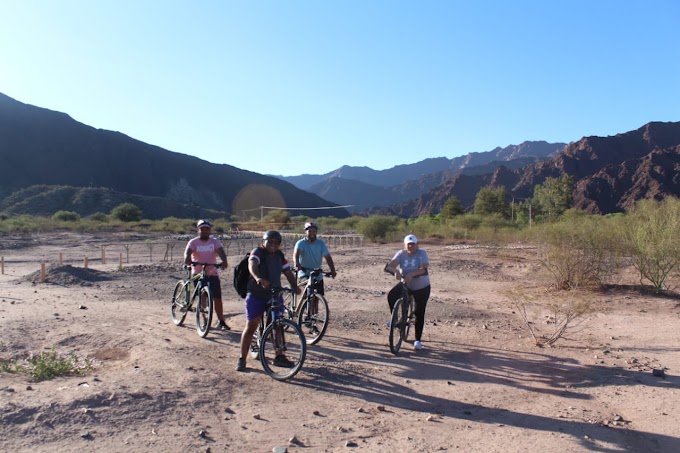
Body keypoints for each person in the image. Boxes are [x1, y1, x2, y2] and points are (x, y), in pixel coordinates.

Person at [236, 230, 301, 371]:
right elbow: (252, 265)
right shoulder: (258, 252)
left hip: (275, 294)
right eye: (269, 241)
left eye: (276, 242)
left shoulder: (279, 256)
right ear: (263, 242)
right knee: (251, 325)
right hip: (256, 293)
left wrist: (295, 286)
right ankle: (242, 359)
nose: (272, 244)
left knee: (277, 325)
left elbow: (288, 272)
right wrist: (258, 278)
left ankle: (279, 356)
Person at [385, 234, 431, 350]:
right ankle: (394, 319)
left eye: (413, 244)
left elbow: (424, 269)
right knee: (392, 295)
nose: (411, 246)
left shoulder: (422, 254)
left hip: (421, 287)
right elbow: (390, 266)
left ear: (417, 245)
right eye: (408, 244)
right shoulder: (401, 254)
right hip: (406, 284)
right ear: (405, 245)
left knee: (418, 312)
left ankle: (417, 340)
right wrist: (395, 271)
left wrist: (411, 274)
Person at [183, 219, 230, 330]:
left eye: (206, 229)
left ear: (210, 230)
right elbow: (187, 252)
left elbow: (221, 251)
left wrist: (224, 261)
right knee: (202, 297)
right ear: (198, 230)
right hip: (198, 273)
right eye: (202, 229)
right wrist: (187, 259)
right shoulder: (193, 242)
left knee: (217, 298)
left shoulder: (214, 242)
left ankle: (221, 321)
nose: (204, 231)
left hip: (212, 272)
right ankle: (203, 319)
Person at [293, 221, 337, 293]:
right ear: (305, 232)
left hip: (317, 273)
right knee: (309, 292)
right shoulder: (301, 243)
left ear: (316, 232)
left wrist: (332, 270)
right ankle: (306, 303)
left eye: (314, 231)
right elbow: (296, 254)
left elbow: (328, 257)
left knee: (318, 295)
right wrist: (297, 263)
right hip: (304, 272)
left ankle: (314, 303)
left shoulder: (321, 244)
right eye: (309, 231)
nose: (312, 233)